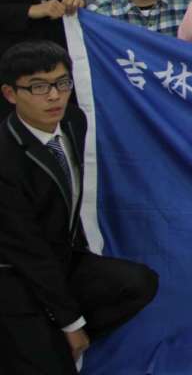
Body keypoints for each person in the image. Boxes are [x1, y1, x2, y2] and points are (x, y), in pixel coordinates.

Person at [0, 41, 158, 372]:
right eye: (38, 87)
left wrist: (72, 322)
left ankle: (52, 337)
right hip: (14, 273)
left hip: (61, 258)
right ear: (10, 94)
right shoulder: (6, 157)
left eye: (62, 83)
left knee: (138, 283)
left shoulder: (73, 121)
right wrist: (71, 323)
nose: (54, 96)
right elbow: (28, 251)